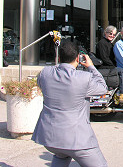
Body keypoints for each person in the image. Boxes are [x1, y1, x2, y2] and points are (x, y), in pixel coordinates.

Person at [32, 39, 108, 167]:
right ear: (78, 58)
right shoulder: (84, 78)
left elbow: (43, 83)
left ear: (59, 57)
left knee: (61, 156)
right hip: (77, 139)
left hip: (50, 138)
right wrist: (90, 66)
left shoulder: (44, 73)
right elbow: (103, 88)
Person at [96, 25, 123, 102]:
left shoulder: (109, 43)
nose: (112, 36)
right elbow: (104, 58)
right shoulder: (102, 43)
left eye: (113, 34)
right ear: (105, 33)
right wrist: (114, 65)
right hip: (105, 67)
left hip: (108, 66)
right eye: (110, 33)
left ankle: (119, 92)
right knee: (122, 71)